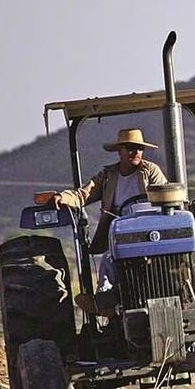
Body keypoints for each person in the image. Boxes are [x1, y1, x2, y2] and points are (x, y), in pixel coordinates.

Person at [53, 128, 168, 314]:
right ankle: (104, 304)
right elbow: (84, 194)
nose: (136, 152)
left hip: (150, 232)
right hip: (121, 235)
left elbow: (165, 195)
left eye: (139, 148)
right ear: (120, 150)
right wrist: (63, 197)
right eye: (130, 148)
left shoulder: (150, 171)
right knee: (109, 259)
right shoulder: (108, 176)